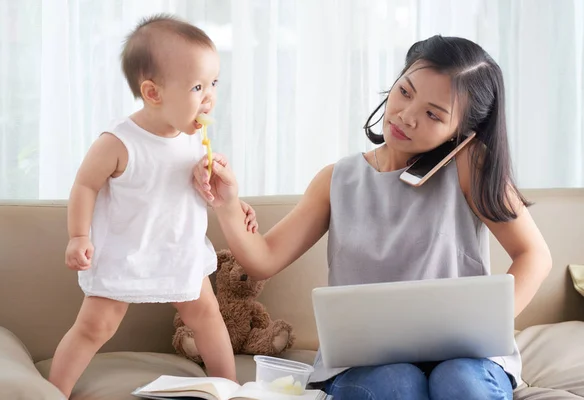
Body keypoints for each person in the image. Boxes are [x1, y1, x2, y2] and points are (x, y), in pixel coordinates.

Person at [193, 35, 552, 400]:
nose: (406, 116)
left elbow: (534, 256)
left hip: (465, 357)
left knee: (459, 381)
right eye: (405, 92)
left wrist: (485, 326)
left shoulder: (469, 165)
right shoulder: (337, 179)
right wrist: (227, 203)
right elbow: (262, 260)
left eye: (433, 114)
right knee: (395, 385)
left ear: (460, 132)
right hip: (365, 361)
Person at [48, 14, 258, 398]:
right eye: (197, 86)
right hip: (127, 252)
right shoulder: (119, 142)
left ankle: (229, 389)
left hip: (179, 248)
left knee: (207, 317)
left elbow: (203, 190)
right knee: (95, 326)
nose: (210, 96)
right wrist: (78, 235)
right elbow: (84, 184)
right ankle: (51, 392)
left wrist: (234, 201)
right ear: (153, 92)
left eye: (214, 83)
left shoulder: (195, 138)